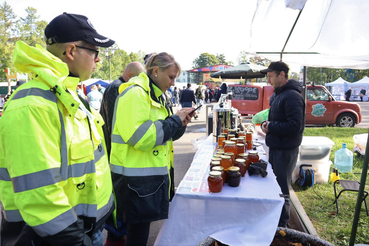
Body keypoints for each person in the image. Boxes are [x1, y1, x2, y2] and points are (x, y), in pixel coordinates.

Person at [0, 12, 115, 245]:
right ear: (71, 51)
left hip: (85, 228)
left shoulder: (66, 94)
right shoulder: (33, 105)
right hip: (61, 237)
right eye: (95, 52)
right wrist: (75, 241)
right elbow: (39, 194)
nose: (98, 60)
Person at [110, 52, 192, 245]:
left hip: (144, 180)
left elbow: (164, 135)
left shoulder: (156, 94)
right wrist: (174, 120)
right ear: (155, 71)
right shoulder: (136, 92)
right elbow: (142, 137)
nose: (173, 83)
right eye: (171, 77)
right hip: (134, 182)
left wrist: (181, 123)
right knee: (137, 236)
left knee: (139, 234)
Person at [260, 61, 305, 228]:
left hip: (286, 150)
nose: (268, 80)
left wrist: (270, 126)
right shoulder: (278, 94)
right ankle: (277, 220)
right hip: (277, 146)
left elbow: (295, 126)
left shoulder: (292, 96)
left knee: (282, 188)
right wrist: (267, 123)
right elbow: (276, 119)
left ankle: (282, 225)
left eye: (271, 76)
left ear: (282, 75)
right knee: (277, 185)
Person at [100, 61, 145, 159]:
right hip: (113, 147)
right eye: (138, 78)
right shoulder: (117, 87)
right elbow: (112, 120)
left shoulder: (118, 86)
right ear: (130, 75)